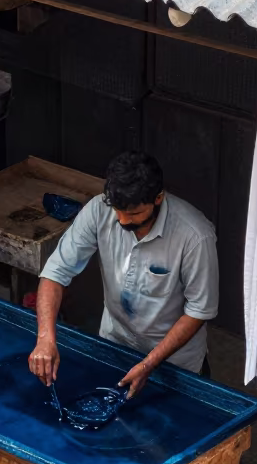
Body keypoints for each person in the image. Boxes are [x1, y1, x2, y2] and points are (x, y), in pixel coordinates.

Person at [28, 151, 219, 397]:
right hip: (113, 347)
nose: (122, 220)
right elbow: (56, 272)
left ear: (158, 198)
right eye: (117, 209)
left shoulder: (195, 236)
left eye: (134, 214)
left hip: (177, 366)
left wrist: (149, 363)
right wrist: (45, 337)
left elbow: (199, 310)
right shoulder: (99, 209)